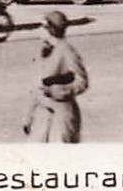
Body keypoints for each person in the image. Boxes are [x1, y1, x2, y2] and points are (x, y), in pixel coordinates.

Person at [24, 10, 88, 143]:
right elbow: (36, 86)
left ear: (50, 29)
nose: (40, 30)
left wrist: (59, 90)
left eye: (43, 27)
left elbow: (82, 81)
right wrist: (28, 115)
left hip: (61, 115)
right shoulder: (44, 50)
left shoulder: (66, 50)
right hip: (42, 115)